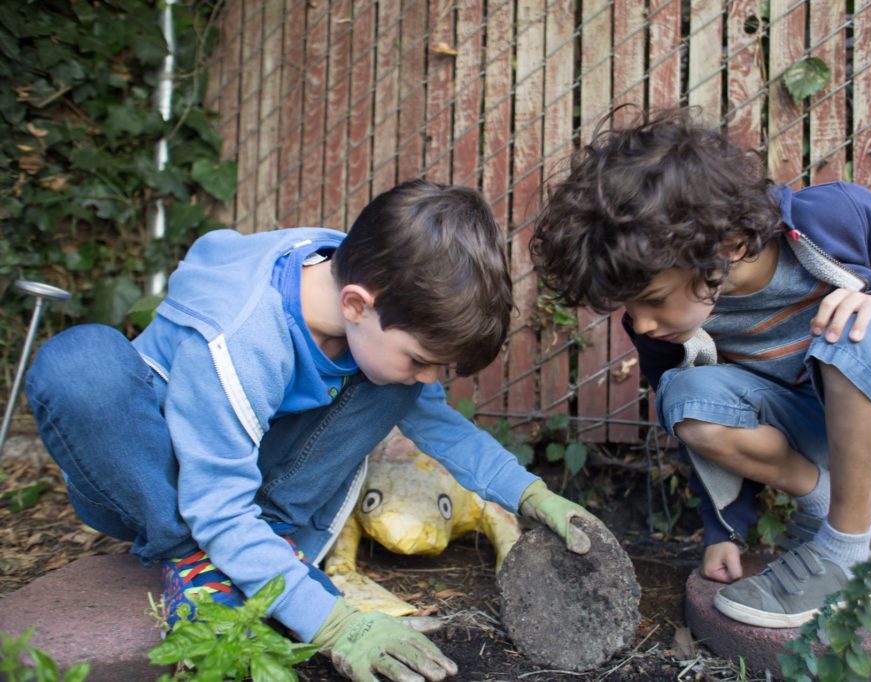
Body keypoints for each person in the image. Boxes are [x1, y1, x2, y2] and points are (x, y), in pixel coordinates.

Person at [25, 179, 602, 680]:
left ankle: (265, 550)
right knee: (78, 363)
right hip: (150, 482)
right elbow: (216, 504)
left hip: (255, 500)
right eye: (423, 359)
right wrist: (333, 625)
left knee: (392, 382)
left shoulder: (370, 284)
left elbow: (439, 424)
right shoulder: (242, 334)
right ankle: (193, 557)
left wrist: (531, 495)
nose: (430, 379)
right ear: (355, 303)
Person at [530, 109, 871, 628]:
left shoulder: (836, 216)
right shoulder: (668, 328)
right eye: (630, 308)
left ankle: (845, 559)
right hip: (810, 428)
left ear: (730, 246)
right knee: (683, 396)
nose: (642, 324)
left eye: (652, 299)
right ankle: (823, 503)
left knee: (855, 327)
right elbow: (695, 430)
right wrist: (722, 531)